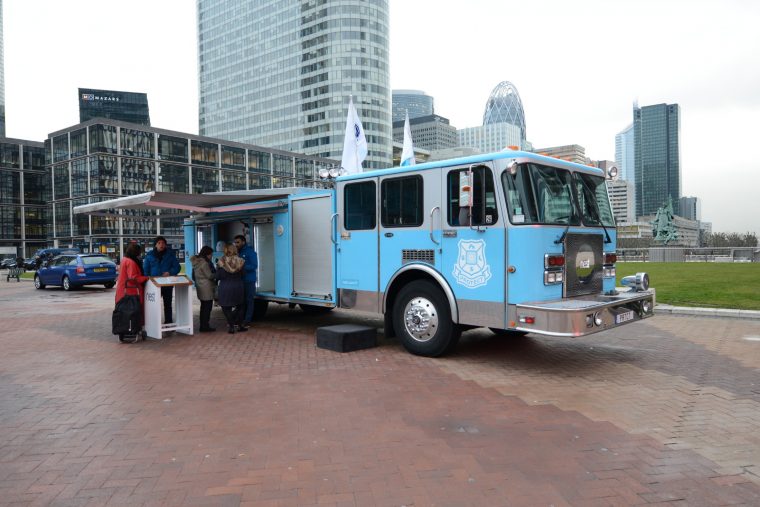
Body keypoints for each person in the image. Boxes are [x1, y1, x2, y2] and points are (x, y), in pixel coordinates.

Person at [142, 236, 181, 324]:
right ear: (155, 245)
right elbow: (145, 270)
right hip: (154, 285)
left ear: (165, 245)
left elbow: (177, 267)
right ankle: (153, 323)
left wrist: (170, 272)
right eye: (159, 243)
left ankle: (168, 322)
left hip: (167, 284)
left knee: (168, 304)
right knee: (153, 305)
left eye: (163, 243)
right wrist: (148, 281)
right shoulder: (149, 255)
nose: (161, 245)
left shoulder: (170, 255)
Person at [115, 242, 150, 324]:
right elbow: (133, 277)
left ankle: (125, 327)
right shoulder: (131, 262)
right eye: (139, 252)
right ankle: (135, 326)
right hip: (131, 291)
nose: (140, 254)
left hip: (122, 289)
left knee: (124, 310)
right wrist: (146, 278)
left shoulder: (124, 259)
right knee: (134, 310)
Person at [216, 243, 247, 334]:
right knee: (240, 306)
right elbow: (243, 274)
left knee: (226, 307)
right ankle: (240, 325)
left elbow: (218, 276)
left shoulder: (221, 261)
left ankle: (231, 326)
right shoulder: (240, 261)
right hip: (238, 286)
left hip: (225, 287)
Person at [190, 246, 216, 332]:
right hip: (207, 287)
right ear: (207, 254)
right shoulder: (204, 263)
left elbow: (193, 276)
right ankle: (205, 326)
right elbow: (209, 275)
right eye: (211, 254)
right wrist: (217, 274)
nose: (211, 256)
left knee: (203, 307)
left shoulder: (196, 262)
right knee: (207, 308)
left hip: (200, 287)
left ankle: (203, 325)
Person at [233, 234, 258, 324]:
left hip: (249, 281)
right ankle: (240, 319)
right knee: (240, 301)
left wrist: (242, 267)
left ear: (243, 242)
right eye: (235, 242)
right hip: (239, 280)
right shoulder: (236, 253)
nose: (236, 244)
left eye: (238, 242)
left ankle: (247, 320)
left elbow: (254, 266)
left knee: (249, 300)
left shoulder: (250, 252)